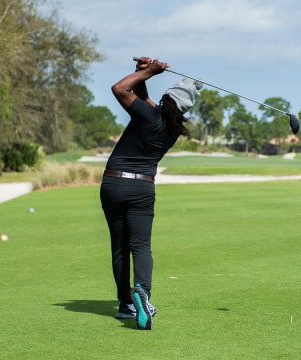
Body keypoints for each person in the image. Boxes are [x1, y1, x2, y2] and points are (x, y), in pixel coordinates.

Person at [100, 57, 202, 330]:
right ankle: (142, 292)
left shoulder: (149, 115)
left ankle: (125, 304)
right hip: (143, 187)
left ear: (167, 100)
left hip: (114, 184)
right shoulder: (171, 128)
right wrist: (142, 73)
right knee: (141, 246)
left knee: (120, 246)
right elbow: (144, 99)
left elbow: (119, 89)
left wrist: (150, 72)